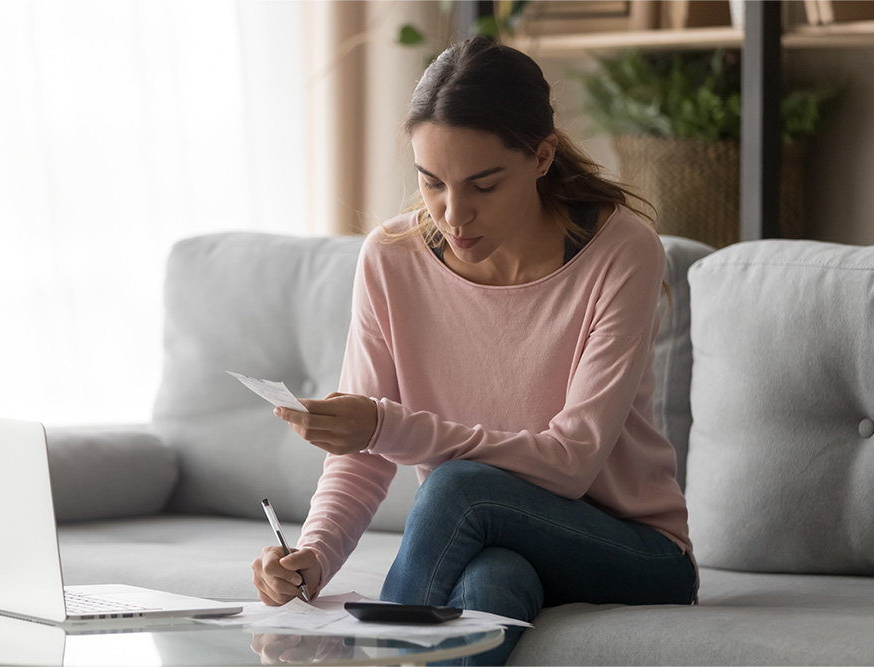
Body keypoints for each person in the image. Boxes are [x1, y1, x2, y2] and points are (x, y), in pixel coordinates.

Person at [252, 36, 696, 665]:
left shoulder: (621, 252)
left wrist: (383, 422)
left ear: (541, 157)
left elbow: (572, 462)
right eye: (431, 183)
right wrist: (311, 559)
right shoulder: (390, 259)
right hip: (493, 538)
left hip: (634, 550)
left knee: (462, 487)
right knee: (492, 584)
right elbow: (362, 460)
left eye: (483, 185)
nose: (453, 215)